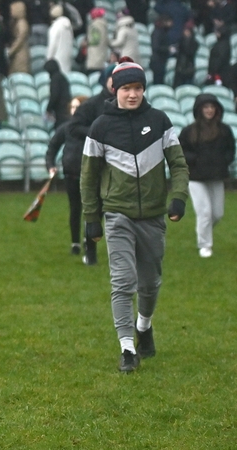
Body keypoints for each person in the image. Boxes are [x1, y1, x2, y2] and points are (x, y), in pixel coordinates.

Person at [80, 58, 189, 373]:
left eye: (138, 88)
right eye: (127, 88)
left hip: (154, 215)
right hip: (117, 214)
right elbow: (88, 178)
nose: (132, 94)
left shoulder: (159, 121)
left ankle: (144, 326)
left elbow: (179, 164)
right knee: (123, 280)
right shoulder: (100, 126)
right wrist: (91, 217)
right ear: (115, 90)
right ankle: (127, 347)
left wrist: (178, 197)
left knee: (150, 283)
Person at [66, 62, 116, 265]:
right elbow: (74, 127)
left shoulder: (131, 106)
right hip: (96, 164)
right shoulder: (92, 105)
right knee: (93, 208)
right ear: (106, 80)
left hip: (120, 166)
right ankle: (91, 250)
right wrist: (98, 135)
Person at [178, 94, 236, 258]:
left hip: (217, 176)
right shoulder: (189, 131)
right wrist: (195, 160)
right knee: (204, 212)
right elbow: (181, 150)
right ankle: (205, 245)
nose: (209, 110)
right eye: (206, 107)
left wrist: (224, 161)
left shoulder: (224, 130)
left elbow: (230, 150)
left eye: (212, 107)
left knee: (217, 214)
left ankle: (203, 231)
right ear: (199, 110)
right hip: (195, 177)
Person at [46, 95, 90, 256]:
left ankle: (88, 239)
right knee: (75, 208)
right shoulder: (66, 128)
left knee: (92, 209)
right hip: (71, 174)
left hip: (92, 176)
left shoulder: (94, 128)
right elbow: (52, 147)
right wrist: (50, 166)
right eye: (72, 107)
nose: (74, 111)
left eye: (78, 107)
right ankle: (75, 243)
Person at [47, 3, 74, 73]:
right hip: (67, 59)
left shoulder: (55, 28)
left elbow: (52, 45)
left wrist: (48, 59)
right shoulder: (68, 26)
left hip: (56, 60)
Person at [45, 59, 72, 129]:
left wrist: (48, 109)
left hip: (60, 111)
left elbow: (54, 95)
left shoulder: (55, 79)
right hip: (66, 109)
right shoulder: (62, 77)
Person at [8, 1, 31, 75]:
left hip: (20, 54)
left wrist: (12, 50)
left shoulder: (22, 23)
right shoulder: (18, 22)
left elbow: (20, 38)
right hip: (18, 52)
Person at [85, 8, 109, 75]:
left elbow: (94, 40)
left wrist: (87, 43)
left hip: (93, 59)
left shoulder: (93, 26)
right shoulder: (104, 26)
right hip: (102, 59)